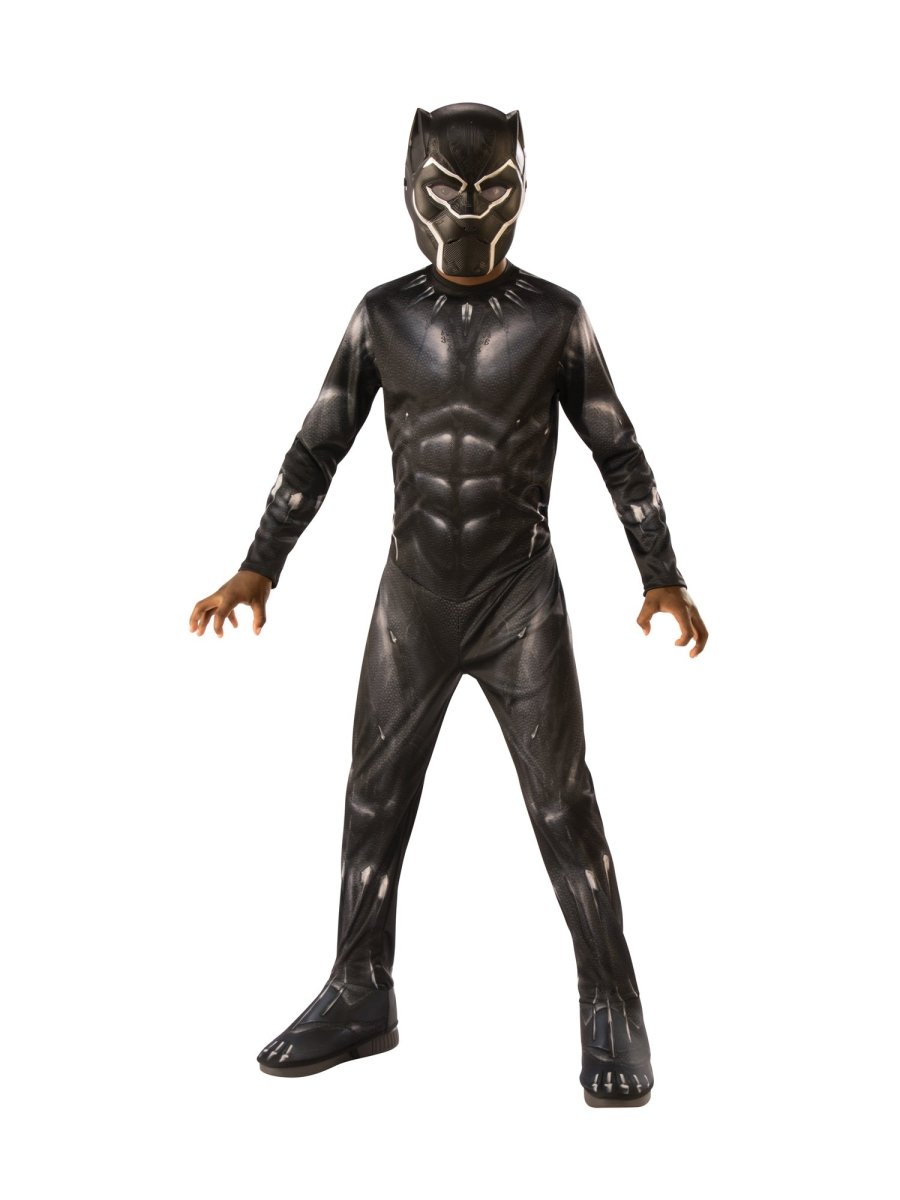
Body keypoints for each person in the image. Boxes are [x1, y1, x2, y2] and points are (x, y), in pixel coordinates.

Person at [189, 102, 708, 1107]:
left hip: (520, 596)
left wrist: (661, 573)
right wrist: (260, 566)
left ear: (523, 189)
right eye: (447, 185)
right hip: (414, 596)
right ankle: (360, 991)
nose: (468, 207)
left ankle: (612, 1001)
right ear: (409, 189)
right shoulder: (382, 317)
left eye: (491, 185)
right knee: (372, 799)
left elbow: (619, 451)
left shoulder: (556, 319)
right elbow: (317, 445)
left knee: (562, 804)